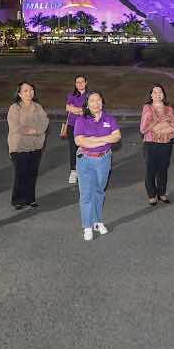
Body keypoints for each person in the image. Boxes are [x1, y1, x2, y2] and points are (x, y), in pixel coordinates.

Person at [74, 91, 121, 240]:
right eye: (92, 101)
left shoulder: (109, 119)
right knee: (86, 194)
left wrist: (94, 139)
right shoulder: (81, 119)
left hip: (104, 159)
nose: (96, 103)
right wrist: (105, 139)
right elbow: (79, 141)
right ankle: (87, 226)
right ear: (87, 104)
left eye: (98, 100)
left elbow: (117, 136)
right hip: (85, 160)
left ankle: (97, 221)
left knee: (99, 191)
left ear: (102, 102)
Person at [7, 82, 49, 210]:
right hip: (19, 146)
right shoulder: (15, 108)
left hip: (36, 145)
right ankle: (18, 199)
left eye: (31, 90)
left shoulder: (38, 107)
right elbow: (15, 125)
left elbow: (45, 121)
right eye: (25, 91)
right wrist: (30, 130)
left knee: (32, 173)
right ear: (19, 94)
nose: (29, 93)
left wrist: (36, 131)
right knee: (21, 173)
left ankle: (30, 198)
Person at [139, 84, 174, 205]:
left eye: (160, 92)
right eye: (155, 92)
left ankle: (162, 193)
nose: (157, 94)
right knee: (150, 170)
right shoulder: (147, 108)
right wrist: (160, 122)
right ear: (151, 95)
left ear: (163, 94)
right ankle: (152, 195)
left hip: (166, 144)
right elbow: (143, 129)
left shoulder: (169, 109)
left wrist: (158, 127)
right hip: (151, 144)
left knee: (163, 170)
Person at [64, 75, 88, 185]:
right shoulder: (71, 95)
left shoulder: (89, 95)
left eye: (82, 82)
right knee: (73, 149)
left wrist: (76, 110)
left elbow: (88, 110)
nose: (80, 84)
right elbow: (68, 108)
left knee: (85, 148)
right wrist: (80, 110)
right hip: (72, 125)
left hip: (85, 126)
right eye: (78, 82)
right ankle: (73, 171)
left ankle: (84, 170)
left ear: (86, 83)